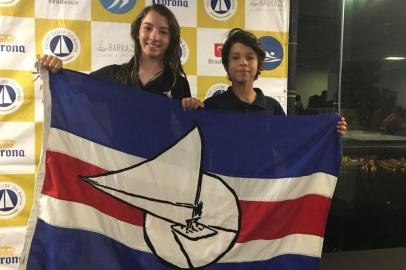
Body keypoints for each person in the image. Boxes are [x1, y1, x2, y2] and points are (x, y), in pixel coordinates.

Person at [182, 28, 347, 135]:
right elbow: (191, 142)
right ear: (227, 64)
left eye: (249, 57)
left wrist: (330, 130)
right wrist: (189, 110)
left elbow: (292, 140)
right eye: (235, 57)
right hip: (222, 187)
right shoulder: (212, 106)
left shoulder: (272, 108)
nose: (243, 63)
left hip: (261, 188)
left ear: (258, 64)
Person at [38, 4, 190, 101]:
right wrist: (55, 74)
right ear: (137, 32)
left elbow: (188, 132)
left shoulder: (178, 84)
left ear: (170, 39)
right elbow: (67, 96)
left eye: (163, 32)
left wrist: (195, 109)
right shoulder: (112, 76)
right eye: (148, 28)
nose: (154, 37)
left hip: (162, 153)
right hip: (116, 153)